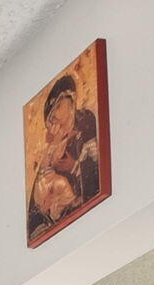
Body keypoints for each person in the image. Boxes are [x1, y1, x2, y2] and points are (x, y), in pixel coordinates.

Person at [28, 71, 100, 239]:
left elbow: (96, 171)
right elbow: (37, 198)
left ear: (72, 100)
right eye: (52, 117)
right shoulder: (58, 144)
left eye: (58, 108)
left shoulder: (87, 122)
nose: (56, 118)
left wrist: (74, 166)